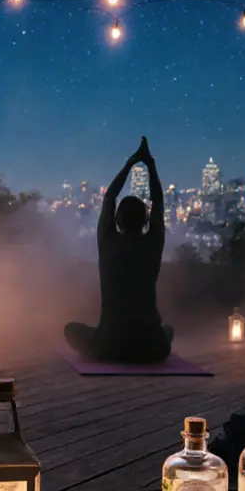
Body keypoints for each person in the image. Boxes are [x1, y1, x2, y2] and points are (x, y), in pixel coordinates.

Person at [65, 137, 174, 363]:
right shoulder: (153, 243)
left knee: (71, 329)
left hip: (109, 346)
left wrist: (130, 163)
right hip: (152, 348)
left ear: (116, 219)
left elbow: (109, 197)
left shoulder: (108, 242)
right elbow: (158, 200)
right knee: (168, 330)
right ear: (145, 221)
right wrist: (149, 164)